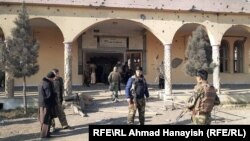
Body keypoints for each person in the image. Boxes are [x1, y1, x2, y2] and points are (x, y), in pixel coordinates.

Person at [38, 71, 56, 138]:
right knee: (46, 119)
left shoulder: (41, 82)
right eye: (53, 78)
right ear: (50, 78)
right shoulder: (48, 84)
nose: (53, 80)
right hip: (47, 104)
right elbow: (49, 95)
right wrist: (55, 95)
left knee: (42, 118)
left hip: (41, 103)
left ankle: (43, 133)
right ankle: (45, 134)